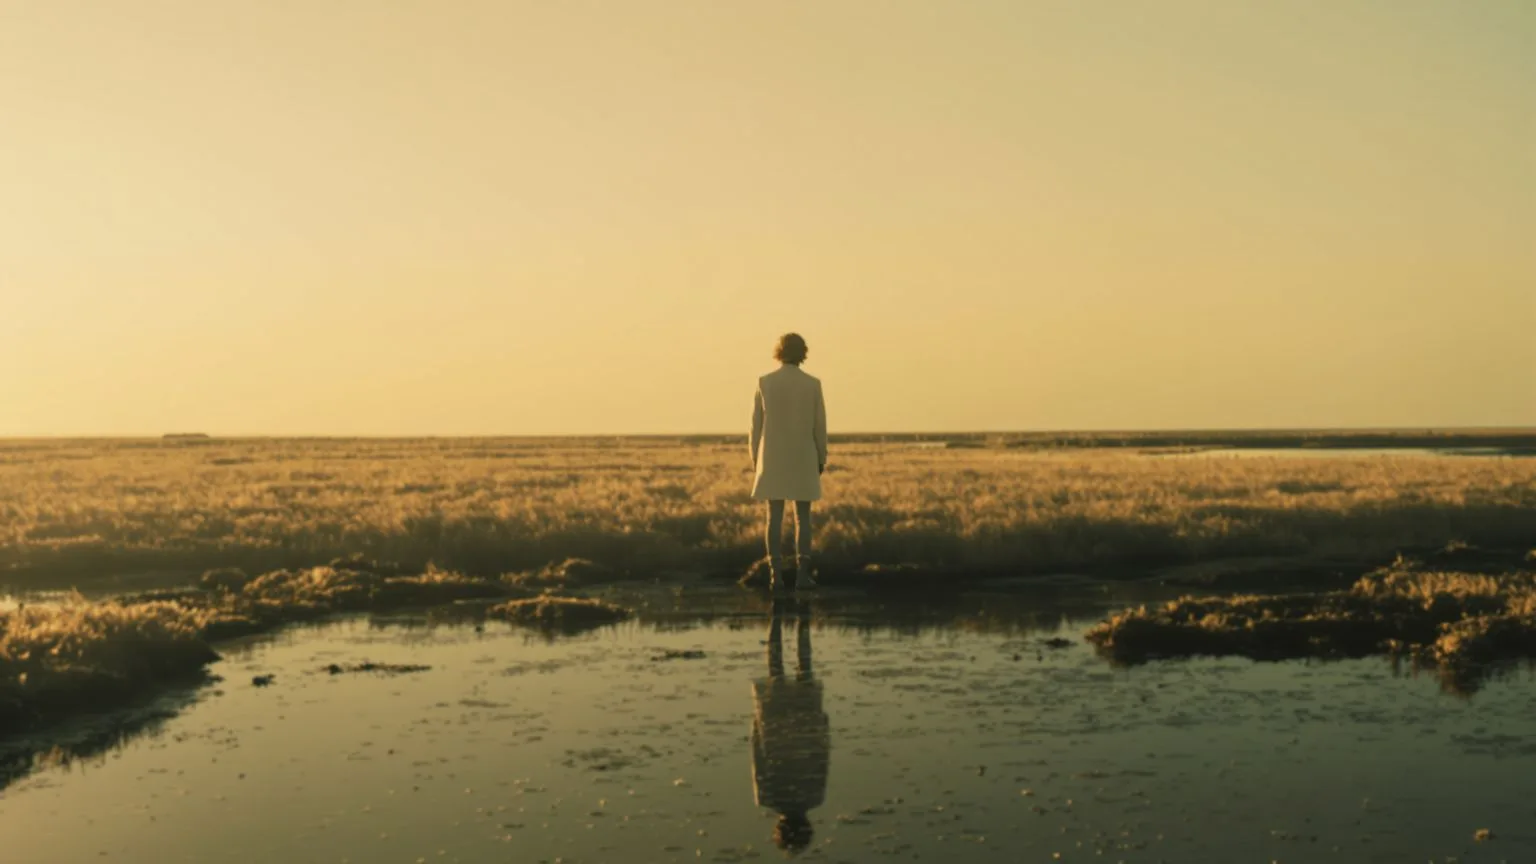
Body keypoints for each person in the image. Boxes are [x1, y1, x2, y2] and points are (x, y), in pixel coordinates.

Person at [750, 333, 829, 593]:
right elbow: (819, 426)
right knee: (802, 518)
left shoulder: (765, 382)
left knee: (773, 517)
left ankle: (776, 576)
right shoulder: (812, 384)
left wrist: (756, 461)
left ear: (779, 352)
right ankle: (802, 575)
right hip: (803, 455)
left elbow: (755, 428)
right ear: (803, 352)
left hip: (772, 457)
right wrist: (821, 457)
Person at [750, 597, 829, 855]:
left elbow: (822, 758)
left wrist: (823, 725)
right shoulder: (767, 798)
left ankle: (800, 618)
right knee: (776, 665)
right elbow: (758, 757)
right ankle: (777, 615)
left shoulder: (816, 797)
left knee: (805, 664)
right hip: (775, 728)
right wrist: (755, 726)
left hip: (806, 726)